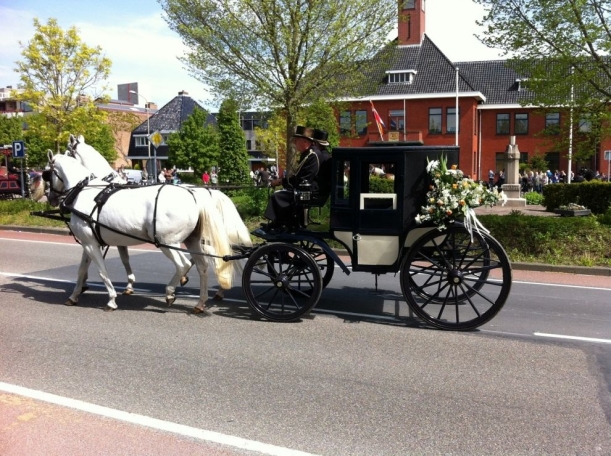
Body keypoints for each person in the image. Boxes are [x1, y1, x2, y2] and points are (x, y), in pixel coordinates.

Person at [260, 126, 331, 232]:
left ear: (305, 142)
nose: (294, 143)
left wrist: (281, 182)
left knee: (277, 196)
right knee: (283, 194)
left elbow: (304, 178)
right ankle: (284, 223)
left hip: (310, 191)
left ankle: (281, 224)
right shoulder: (309, 154)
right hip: (307, 189)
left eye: (296, 140)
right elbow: (300, 177)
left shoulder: (312, 155)